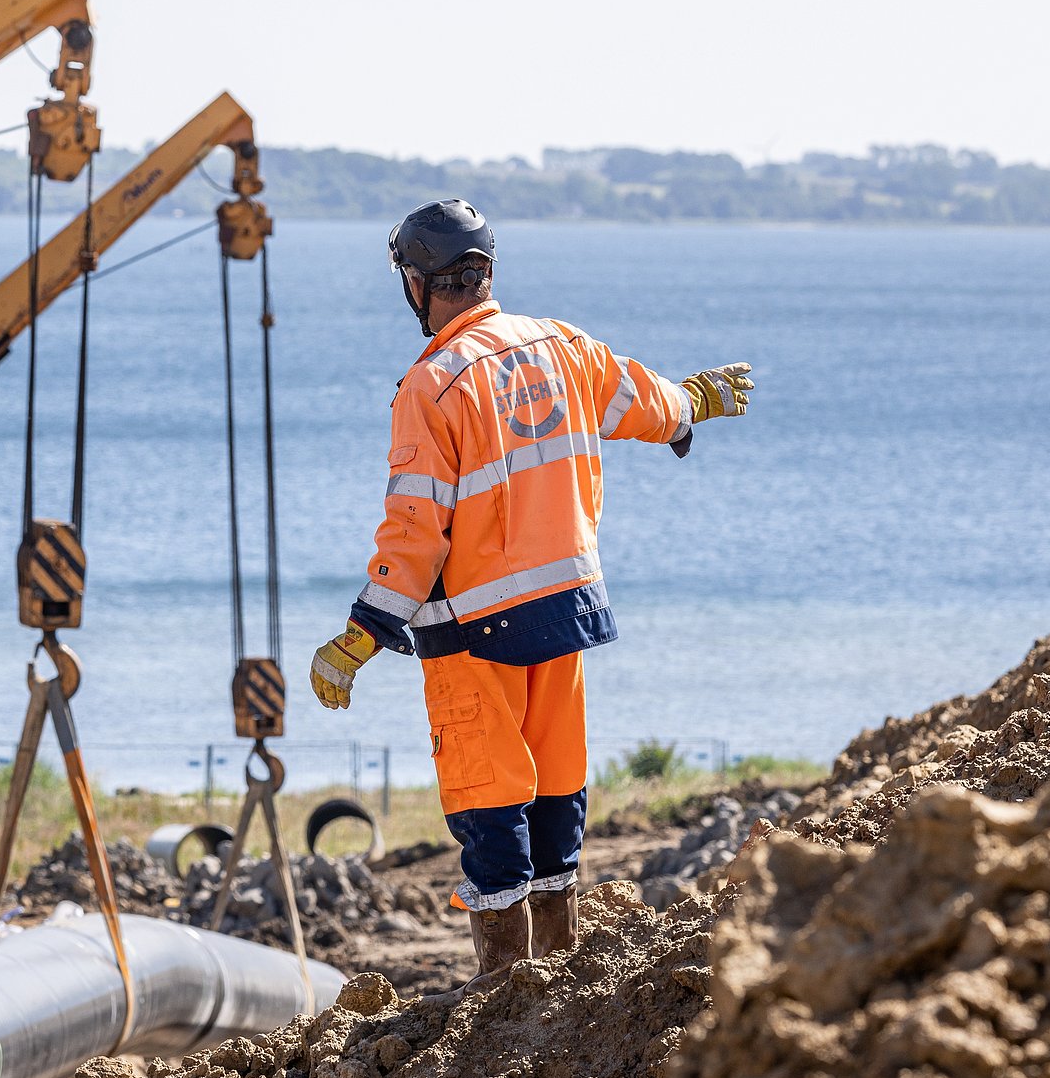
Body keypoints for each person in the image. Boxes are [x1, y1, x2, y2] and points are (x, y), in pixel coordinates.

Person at [308, 199, 754, 978]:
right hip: (565, 612)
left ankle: (504, 992)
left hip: (475, 631)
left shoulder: (432, 386)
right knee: (556, 785)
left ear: (419, 285)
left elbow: (416, 530)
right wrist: (695, 402)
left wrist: (361, 635)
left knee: (489, 800)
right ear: (487, 273)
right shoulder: (559, 345)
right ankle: (560, 971)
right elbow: (642, 400)